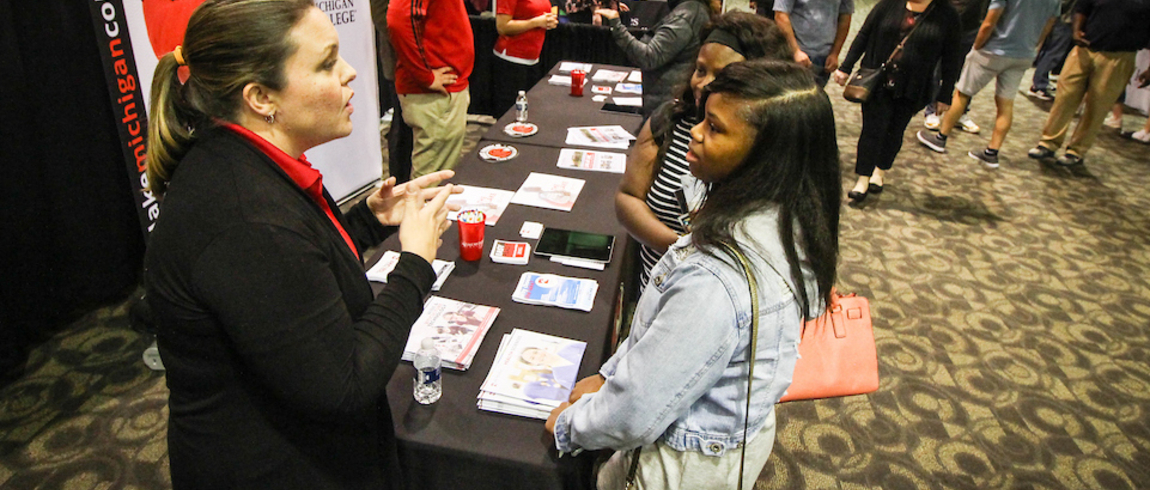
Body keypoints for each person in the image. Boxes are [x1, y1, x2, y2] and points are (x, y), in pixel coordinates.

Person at [142, 1, 458, 488]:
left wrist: (369, 222)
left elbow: (298, 271)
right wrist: (415, 264)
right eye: (327, 63)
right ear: (261, 98)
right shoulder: (245, 215)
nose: (350, 73)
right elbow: (344, 383)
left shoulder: (248, 165)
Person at [547, 60, 841, 490]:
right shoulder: (792, 217)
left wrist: (569, 428)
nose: (696, 132)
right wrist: (611, 374)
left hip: (676, 469)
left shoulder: (715, 280)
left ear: (767, 156)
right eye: (703, 118)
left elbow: (635, 410)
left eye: (716, 128)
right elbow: (661, 346)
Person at [615, 12, 791, 290]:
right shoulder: (670, 121)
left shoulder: (773, 152)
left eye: (722, 76)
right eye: (700, 69)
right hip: (655, 290)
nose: (702, 84)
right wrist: (682, 249)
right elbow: (628, 198)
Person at [833, 0, 963, 202]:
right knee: (872, 130)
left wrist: (945, 94)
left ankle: (880, 170)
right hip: (877, 82)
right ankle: (863, 178)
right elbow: (864, 35)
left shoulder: (946, 14)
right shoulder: (888, 5)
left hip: (914, 86)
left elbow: (952, 57)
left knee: (895, 131)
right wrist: (846, 67)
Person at [916, 0, 1059, 168]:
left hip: (993, 50)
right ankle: (992, 152)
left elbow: (989, 22)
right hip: (1023, 54)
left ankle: (940, 139)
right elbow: (1048, 25)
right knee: (1006, 104)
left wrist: (977, 46)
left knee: (962, 93)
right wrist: (1033, 48)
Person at [1027, 0, 1150, 167]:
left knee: (1097, 106)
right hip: (1084, 50)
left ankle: (1076, 151)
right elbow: (1081, 8)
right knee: (1065, 97)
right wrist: (1076, 31)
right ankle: (1047, 143)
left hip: (1119, 56)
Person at [388, 0, 475, 179]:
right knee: (432, 180)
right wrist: (425, 76)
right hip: (435, 94)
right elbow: (398, 19)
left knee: (438, 174)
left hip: (441, 90)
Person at [595, 0, 718, 115]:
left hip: (665, 107)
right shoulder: (693, 10)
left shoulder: (686, 16)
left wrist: (616, 24)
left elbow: (648, 58)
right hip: (667, 103)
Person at [921, 0, 988, 134]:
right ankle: (932, 110)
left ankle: (960, 113)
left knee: (966, 74)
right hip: (946, 23)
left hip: (972, 27)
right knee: (938, 71)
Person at [368, 0, 415, 184]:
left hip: (416, 59)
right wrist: (410, 44)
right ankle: (399, 182)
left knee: (408, 126)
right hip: (399, 59)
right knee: (402, 126)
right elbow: (382, 17)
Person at [492, 0, 559, 116]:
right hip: (511, 60)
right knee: (508, 116)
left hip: (533, 59)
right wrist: (536, 22)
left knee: (529, 113)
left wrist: (549, 21)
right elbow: (502, 27)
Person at [772, 0, 854, 87]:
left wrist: (835, 53)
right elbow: (781, 16)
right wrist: (795, 51)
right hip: (796, 56)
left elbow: (845, 18)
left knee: (817, 97)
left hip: (824, 58)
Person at [1024, 0, 1077, 100]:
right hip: (1063, 19)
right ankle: (1039, 85)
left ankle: (1041, 80)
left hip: (1058, 18)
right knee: (1054, 53)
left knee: (1049, 50)